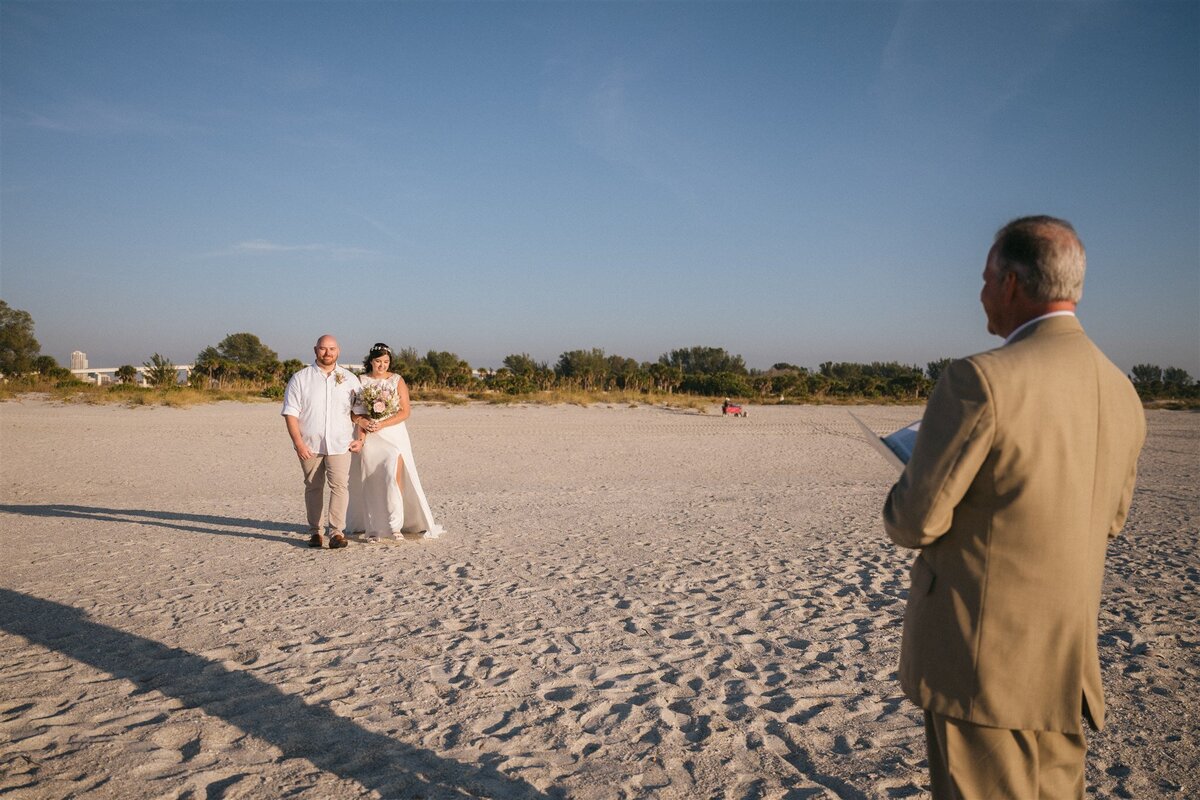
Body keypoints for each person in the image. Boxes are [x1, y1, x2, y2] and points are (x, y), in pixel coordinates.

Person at [882, 216, 1145, 798]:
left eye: (983, 279)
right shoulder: (1122, 390)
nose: (979, 293)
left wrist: (907, 483)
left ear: (1010, 283)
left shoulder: (980, 379)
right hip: (1065, 666)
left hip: (985, 667)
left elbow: (916, 520)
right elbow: (1111, 520)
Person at [346, 343, 443, 542]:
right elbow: (353, 412)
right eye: (378, 361)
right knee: (370, 478)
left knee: (393, 476)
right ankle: (372, 528)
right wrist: (363, 423)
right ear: (371, 361)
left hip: (393, 434)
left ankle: (395, 526)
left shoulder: (397, 380)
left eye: (386, 362)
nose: (381, 365)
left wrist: (382, 423)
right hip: (369, 435)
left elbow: (405, 411)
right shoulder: (360, 380)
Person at [282, 334, 362, 550]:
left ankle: (337, 532)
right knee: (313, 487)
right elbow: (291, 413)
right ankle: (315, 532)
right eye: (323, 349)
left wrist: (360, 438)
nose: (328, 353)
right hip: (310, 444)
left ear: (339, 351)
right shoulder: (300, 378)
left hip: (340, 443)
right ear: (315, 350)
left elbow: (359, 413)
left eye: (332, 349)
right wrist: (298, 443)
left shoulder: (351, 379)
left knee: (340, 486)